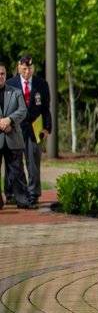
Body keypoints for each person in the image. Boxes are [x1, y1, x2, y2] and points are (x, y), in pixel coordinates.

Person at [7, 55, 51, 207]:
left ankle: (33, 194)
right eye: (24, 69)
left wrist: (47, 128)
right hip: (16, 129)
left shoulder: (41, 84)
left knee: (33, 162)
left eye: (30, 68)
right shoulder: (10, 84)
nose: (27, 72)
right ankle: (12, 193)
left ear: (33, 68)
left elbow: (46, 108)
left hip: (34, 128)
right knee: (14, 164)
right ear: (18, 68)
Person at [0, 61, 31, 209]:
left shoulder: (15, 92)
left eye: (2, 74)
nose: (0, 76)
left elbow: (22, 111)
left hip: (13, 138)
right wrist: (1, 123)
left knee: (17, 172)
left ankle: (23, 200)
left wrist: (9, 121)